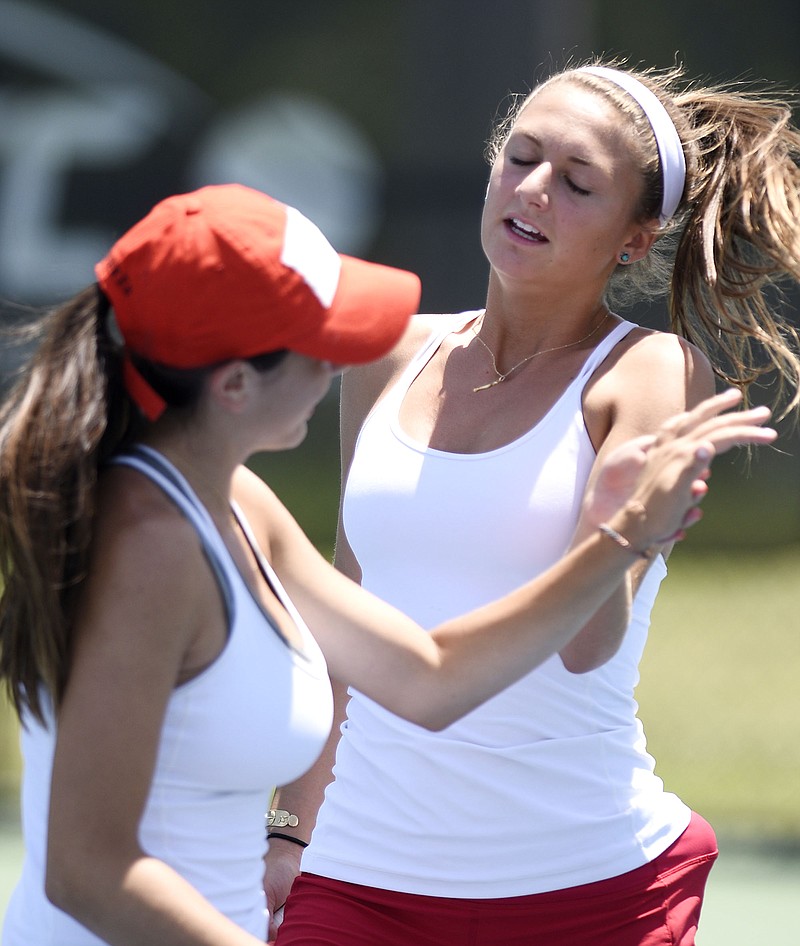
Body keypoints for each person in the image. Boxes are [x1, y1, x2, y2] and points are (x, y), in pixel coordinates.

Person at [0, 183, 770, 946]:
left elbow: (429, 678)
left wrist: (618, 534)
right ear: (234, 384)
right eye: (322, 341)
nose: (347, 360)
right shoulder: (145, 546)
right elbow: (88, 870)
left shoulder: (238, 503)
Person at [269, 62, 800, 946]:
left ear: (635, 238)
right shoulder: (388, 353)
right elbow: (346, 614)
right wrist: (293, 825)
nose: (535, 190)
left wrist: (633, 533)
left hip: (587, 891)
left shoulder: (649, 372)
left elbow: (589, 647)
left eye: (579, 182)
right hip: (357, 879)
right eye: (521, 158)